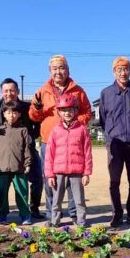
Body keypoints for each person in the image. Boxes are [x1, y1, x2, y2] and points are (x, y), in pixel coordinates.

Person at [29, 54, 92, 223]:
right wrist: (36, 107)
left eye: (61, 67)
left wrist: (76, 124)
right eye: (55, 68)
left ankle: (74, 214)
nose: (58, 71)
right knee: (51, 180)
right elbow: (34, 117)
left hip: (73, 141)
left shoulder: (78, 90)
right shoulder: (42, 91)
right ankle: (52, 214)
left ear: (68, 70)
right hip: (49, 140)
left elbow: (87, 112)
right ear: (50, 71)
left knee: (74, 181)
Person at [98, 56, 130, 228]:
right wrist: (111, 134)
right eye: (119, 70)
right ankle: (116, 214)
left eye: (126, 69)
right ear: (114, 72)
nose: (123, 73)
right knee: (114, 181)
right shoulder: (106, 93)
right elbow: (103, 119)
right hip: (115, 144)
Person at [0, 78, 44, 219]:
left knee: (37, 179)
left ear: (17, 91)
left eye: (12, 90)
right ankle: (0, 212)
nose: (9, 93)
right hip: (4, 154)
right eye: (6, 91)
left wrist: (26, 138)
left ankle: (34, 209)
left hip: (27, 149)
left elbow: (37, 126)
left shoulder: (27, 107)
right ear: (1, 93)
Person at [44, 94, 93, 227]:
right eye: (64, 110)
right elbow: (49, 154)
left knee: (79, 199)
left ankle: (81, 220)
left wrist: (86, 173)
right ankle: (54, 221)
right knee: (57, 199)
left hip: (77, 172)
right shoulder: (55, 131)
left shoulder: (82, 130)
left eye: (71, 109)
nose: (67, 113)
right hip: (58, 172)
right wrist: (50, 175)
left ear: (76, 111)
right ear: (59, 112)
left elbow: (87, 152)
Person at [0, 102, 33, 224]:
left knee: (22, 193)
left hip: (19, 168)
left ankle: (25, 215)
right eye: (8, 112)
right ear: (4, 114)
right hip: (2, 168)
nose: (11, 115)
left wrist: (27, 164)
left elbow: (26, 148)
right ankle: (2, 215)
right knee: (1, 193)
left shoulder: (23, 130)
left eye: (14, 112)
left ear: (19, 114)